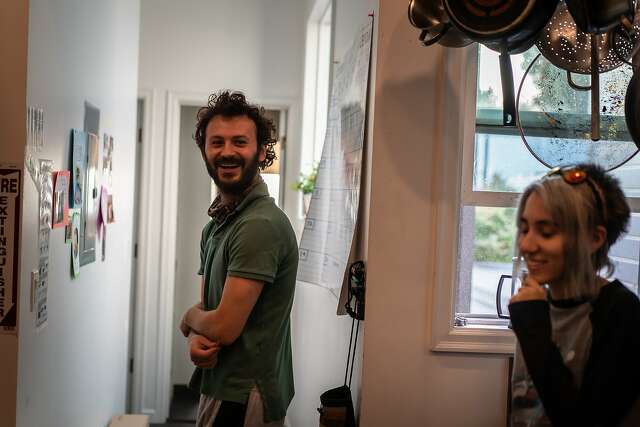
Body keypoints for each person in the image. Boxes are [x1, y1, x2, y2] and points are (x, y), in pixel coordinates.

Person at [179, 91, 298, 427]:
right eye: (217, 142)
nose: (227, 152)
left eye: (239, 142)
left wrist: (189, 318)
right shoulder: (217, 225)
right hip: (220, 385)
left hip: (245, 394)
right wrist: (194, 336)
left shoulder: (258, 225)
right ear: (204, 150)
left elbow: (224, 327)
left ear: (261, 151)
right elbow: (210, 310)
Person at [509, 163, 640, 426]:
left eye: (546, 232)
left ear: (594, 238)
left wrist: (533, 327)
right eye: (524, 229)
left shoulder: (622, 313)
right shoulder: (537, 305)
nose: (525, 244)